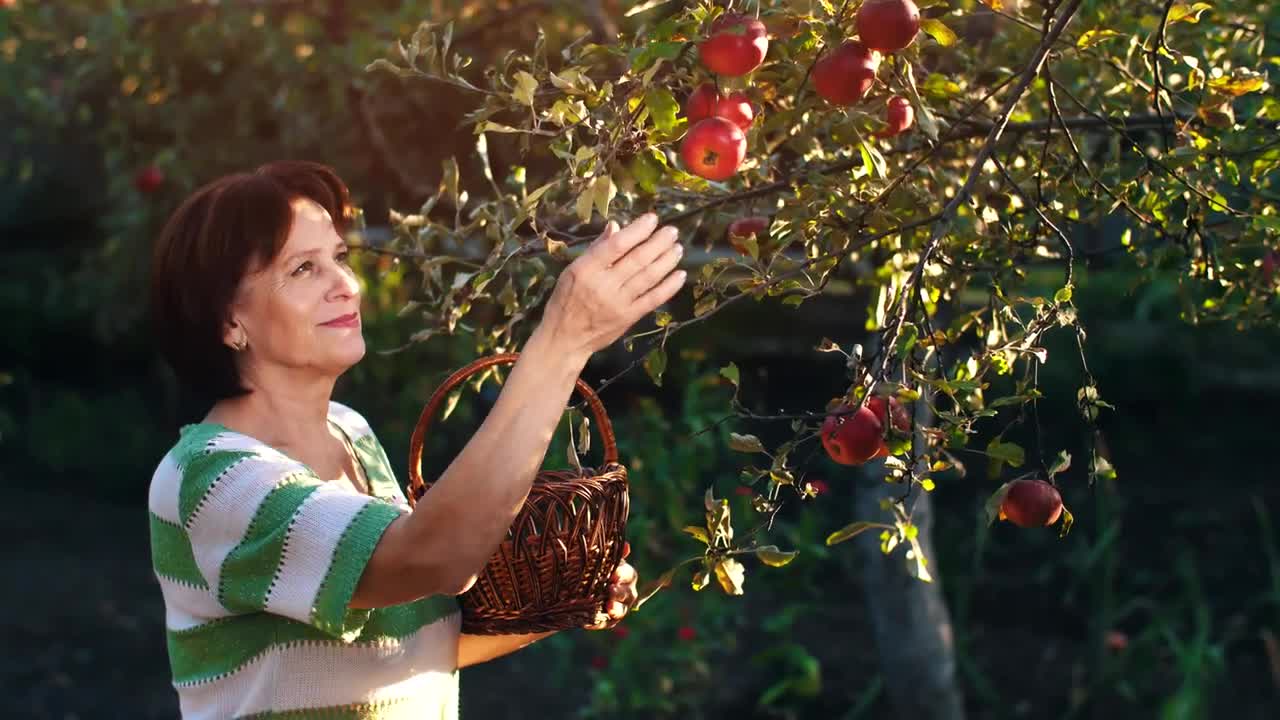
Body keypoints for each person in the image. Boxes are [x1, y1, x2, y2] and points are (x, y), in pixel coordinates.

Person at [145, 160, 688, 718]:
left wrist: (564, 603)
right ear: (228, 321)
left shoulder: (349, 431)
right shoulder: (211, 480)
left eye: (339, 257)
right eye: (303, 269)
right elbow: (433, 557)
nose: (345, 286)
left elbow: (414, 645)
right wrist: (563, 340)